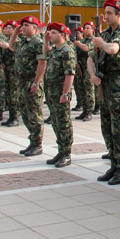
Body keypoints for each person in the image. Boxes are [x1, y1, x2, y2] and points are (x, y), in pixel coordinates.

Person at [91, 0, 120, 185]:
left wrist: (100, 42)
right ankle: (114, 164)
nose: (106, 16)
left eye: (110, 13)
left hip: (118, 82)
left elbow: (112, 49)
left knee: (119, 127)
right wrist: (92, 74)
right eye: (105, 13)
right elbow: (91, 57)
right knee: (106, 125)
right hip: (105, 82)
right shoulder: (106, 33)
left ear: (119, 15)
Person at [9, 16, 46, 156]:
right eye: (22, 25)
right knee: (25, 113)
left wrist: (36, 82)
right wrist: (15, 33)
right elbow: (11, 46)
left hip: (32, 81)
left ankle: (37, 144)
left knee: (34, 114)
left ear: (34, 28)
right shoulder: (24, 41)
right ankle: (32, 141)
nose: (23, 27)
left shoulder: (37, 42)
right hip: (22, 82)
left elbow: (42, 63)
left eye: (26, 25)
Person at [43, 22, 77, 168]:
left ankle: (66, 153)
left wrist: (65, 93)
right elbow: (44, 54)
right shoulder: (54, 50)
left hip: (60, 92)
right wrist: (45, 41)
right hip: (51, 92)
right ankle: (60, 150)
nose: (51, 35)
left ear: (62, 35)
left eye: (54, 33)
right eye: (50, 32)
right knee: (56, 122)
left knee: (63, 123)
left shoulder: (66, 51)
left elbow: (70, 74)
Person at [73, 22, 95, 121]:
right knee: (81, 89)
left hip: (88, 69)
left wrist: (79, 44)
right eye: (85, 28)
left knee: (89, 90)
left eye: (88, 28)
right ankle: (84, 110)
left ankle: (89, 111)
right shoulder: (83, 40)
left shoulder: (93, 40)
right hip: (80, 68)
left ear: (92, 29)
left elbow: (87, 48)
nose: (85, 30)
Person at [1, 21, 20, 127]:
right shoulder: (6, 41)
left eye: (9, 28)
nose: (7, 30)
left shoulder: (18, 42)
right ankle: (11, 116)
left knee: (14, 94)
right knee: (8, 94)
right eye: (6, 28)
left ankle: (15, 117)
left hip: (15, 72)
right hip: (7, 70)